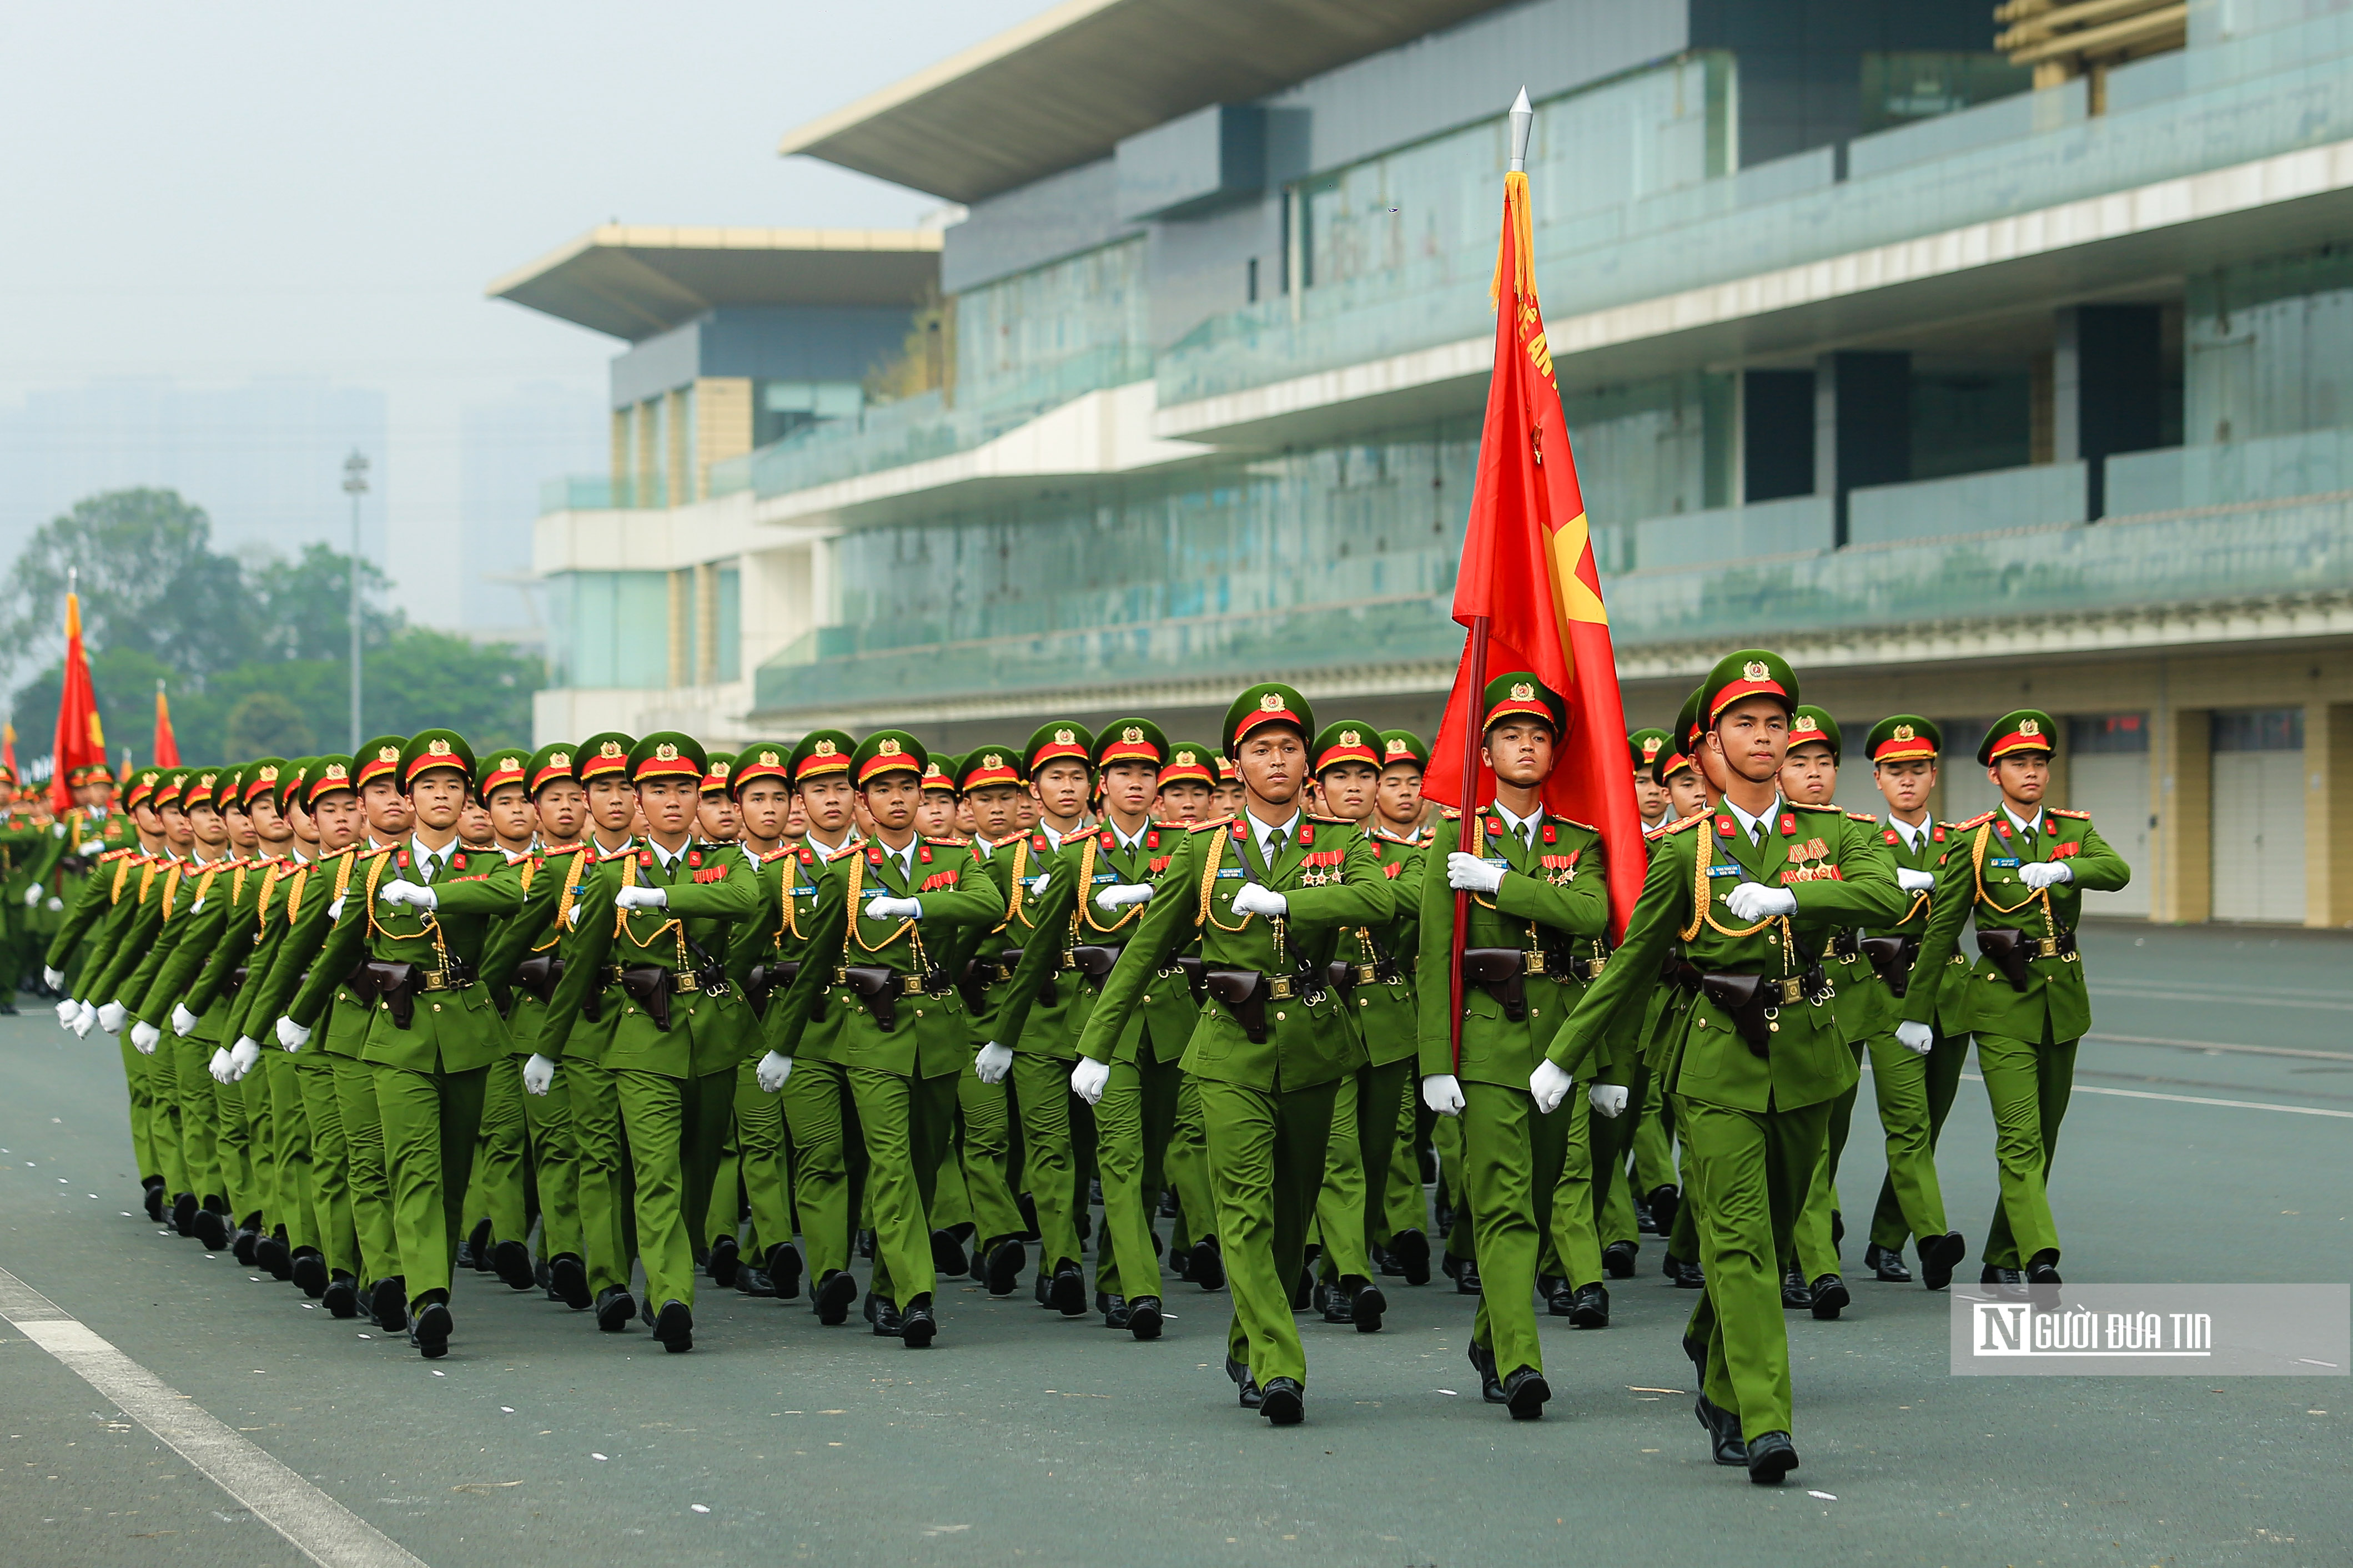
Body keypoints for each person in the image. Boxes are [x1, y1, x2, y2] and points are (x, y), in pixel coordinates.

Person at [1541, 651, 1905, 1484]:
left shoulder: (1836, 833)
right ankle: (1761, 1417)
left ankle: (1712, 1350)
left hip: (1807, 1056)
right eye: (1744, 723)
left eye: (1776, 724)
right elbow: (1632, 963)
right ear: (1709, 744)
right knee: (1736, 1243)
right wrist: (1565, 1056)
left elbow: (1888, 895)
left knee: (1771, 1239)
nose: (1764, 737)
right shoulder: (1683, 852)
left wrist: (1795, 899)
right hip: (1716, 1064)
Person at [1072, 684, 1386, 1426]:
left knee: (1290, 1213)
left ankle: (1250, 1341)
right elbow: (1145, 950)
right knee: (1242, 1209)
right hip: (1228, 1051)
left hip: (1312, 1042)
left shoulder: (1340, 842)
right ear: (1232, 763)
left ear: (1307, 761)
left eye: (1287, 747)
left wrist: (1291, 906)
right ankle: (1280, 1363)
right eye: (1259, 749)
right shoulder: (1201, 850)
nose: (1275, 760)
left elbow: (1378, 902)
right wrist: (1096, 1046)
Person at [280, 731, 525, 1359]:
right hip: (397, 1032)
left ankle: (428, 1282)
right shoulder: (371, 871)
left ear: (466, 795)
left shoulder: (486, 863)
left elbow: (512, 895)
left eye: (452, 786)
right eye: (426, 786)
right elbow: (338, 952)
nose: (440, 795)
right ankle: (427, 1296)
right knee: (411, 1165)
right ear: (407, 798)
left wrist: (433, 894)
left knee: (451, 1171)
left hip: (466, 1033)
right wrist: (298, 1017)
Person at [761, 730, 1009, 1348]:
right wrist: (783, 1043)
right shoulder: (843, 872)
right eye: (881, 789)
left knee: (925, 1162)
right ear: (864, 803)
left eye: (907, 787)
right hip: (870, 1031)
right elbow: (816, 957)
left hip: (937, 1032)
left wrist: (920, 909)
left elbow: (987, 903)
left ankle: (880, 1285)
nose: (896, 798)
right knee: (888, 1162)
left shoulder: (955, 860)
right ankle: (913, 1293)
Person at [1416, 674, 1611, 1420]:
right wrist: (1437, 1063)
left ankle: (1490, 1334)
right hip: (1491, 1042)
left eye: (1537, 735)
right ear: (1486, 750)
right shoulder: (1451, 839)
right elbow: (1437, 955)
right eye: (1509, 735)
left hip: (1559, 1042)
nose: (1525, 746)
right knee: (1503, 1207)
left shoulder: (1577, 842)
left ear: (1554, 752)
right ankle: (1521, 1362)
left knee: (1534, 1196)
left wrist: (1502, 883)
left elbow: (1591, 914)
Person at [534, 733, 762, 1354]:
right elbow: (580, 964)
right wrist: (548, 1047)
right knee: (653, 1169)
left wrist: (664, 896)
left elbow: (746, 900)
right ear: (637, 798)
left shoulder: (726, 860)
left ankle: (663, 1269)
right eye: (657, 789)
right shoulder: (609, 874)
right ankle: (669, 1297)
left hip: (712, 1035)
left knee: (697, 1167)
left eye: (683, 789)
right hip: (639, 1037)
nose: (671, 800)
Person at [1902, 709, 2131, 1287]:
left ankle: (2000, 1254)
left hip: (2062, 1001)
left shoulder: (2071, 830)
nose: (2029, 772)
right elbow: (1942, 928)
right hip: (2002, 1001)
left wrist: (2063, 870)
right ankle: (2039, 1252)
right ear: (1993, 774)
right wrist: (1914, 1011)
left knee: (2046, 1134)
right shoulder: (1974, 840)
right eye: (2016, 762)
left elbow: (2116, 870)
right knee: (2019, 1134)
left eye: (2037, 762)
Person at [1001, 719, 1176, 1337]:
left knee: (1151, 1162)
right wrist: (1004, 1033)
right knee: (1111, 1158)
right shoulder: (1076, 855)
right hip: (1095, 1020)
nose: (1136, 782)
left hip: (1167, 1019)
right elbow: (1038, 948)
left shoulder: (1189, 847)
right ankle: (1131, 1285)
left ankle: (1109, 1273)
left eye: (1146, 773)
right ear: (1106, 785)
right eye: (1123, 773)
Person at [978, 722, 1099, 1317]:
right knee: (1049, 1146)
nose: (1069, 787)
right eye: (1056, 777)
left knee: (1089, 1145)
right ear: (1034, 788)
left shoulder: (1111, 850)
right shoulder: (1006, 860)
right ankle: (1062, 1259)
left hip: (1099, 1018)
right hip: (1033, 1018)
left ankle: (1069, 1235)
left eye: (1078, 776)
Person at [1858, 716, 1973, 1288]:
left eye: (1916, 770)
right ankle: (1932, 1237)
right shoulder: (1861, 842)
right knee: (1906, 1124)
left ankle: (1884, 1241)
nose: (1906, 781)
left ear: (1933, 775)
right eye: (1894, 771)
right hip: (1888, 993)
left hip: (1949, 994)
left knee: (1926, 1128)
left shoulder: (1961, 841)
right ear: (1877, 779)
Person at [1301, 720, 1407, 1329]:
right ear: (1317, 788)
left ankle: (1342, 1260)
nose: (1353, 785)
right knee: (1337, 1152)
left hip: (1385, 1014)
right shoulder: (1303, 851)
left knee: (1374, 1152)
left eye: (1364, 774)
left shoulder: (1406, 858)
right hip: (1322, 1011)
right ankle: (1350, 1273)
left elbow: (1407, 906)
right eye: (1339, 775)